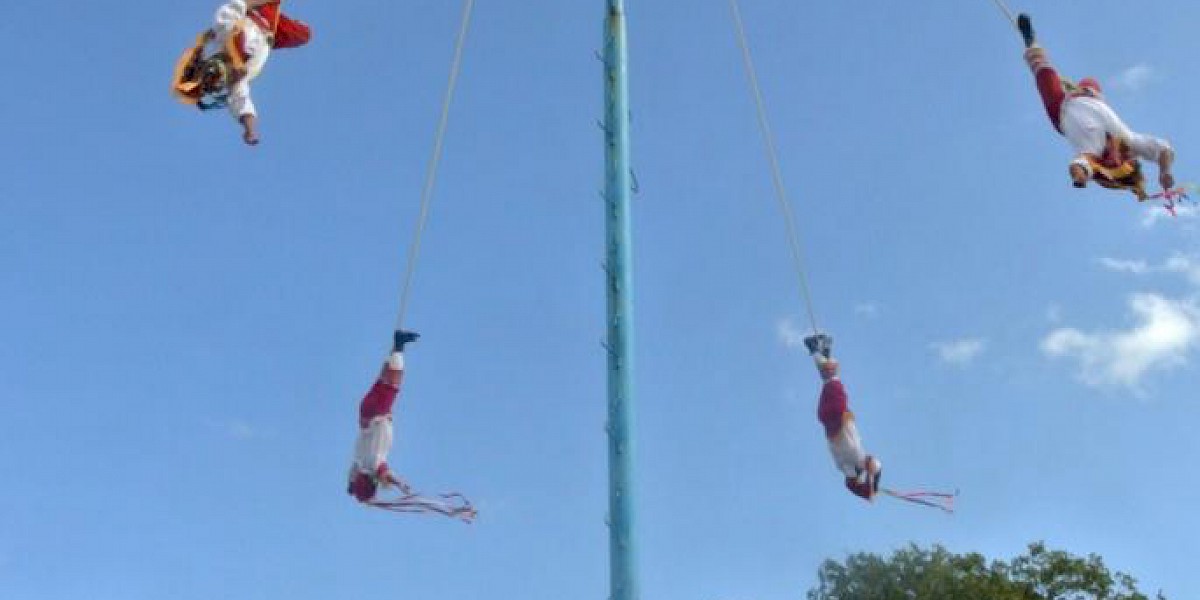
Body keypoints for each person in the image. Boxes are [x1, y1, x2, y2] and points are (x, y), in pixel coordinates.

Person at [1017, 13, 1174, 200]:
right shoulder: (1130, 143)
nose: (1115, 159)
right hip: (1091, 95)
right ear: (1128, 160)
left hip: (1060, 110)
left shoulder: (1093, 156)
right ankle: (1084, 86)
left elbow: (1079, 166)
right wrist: (1164, 172)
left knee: (1043, 71)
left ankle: (1031, 42)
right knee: (1090, 81)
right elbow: (1163, 149)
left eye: (1113, 163)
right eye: (1121, 160)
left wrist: (1080, 179)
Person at [172, 0, 312, 145]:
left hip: (257, 14)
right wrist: (250, 130)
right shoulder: (234, 82)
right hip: (269, 35)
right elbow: (241, 103)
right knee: (304, 34)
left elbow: (236, 5)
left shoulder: (222, 35)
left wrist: (258, 3)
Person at [804, 333, 881, 502]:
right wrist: (871, 486)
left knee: (832, 378)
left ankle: (819, 350)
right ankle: (821, 351)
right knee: (829, 380)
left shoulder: (853, 463)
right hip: (827, 418)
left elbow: (872, 469)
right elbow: (861, 480)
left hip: (836, 414)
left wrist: (872, 486)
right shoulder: (846, 466)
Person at [347, 330, 420, 504]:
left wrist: (400, 484)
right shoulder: (358, 464)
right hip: (366, 412)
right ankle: (396, 347)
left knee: (394, 383)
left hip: (376, 414)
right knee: (383, 378)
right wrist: (353, 489)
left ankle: (399, 345)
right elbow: (351, 482)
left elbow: (384, 473)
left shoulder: (373, 464)